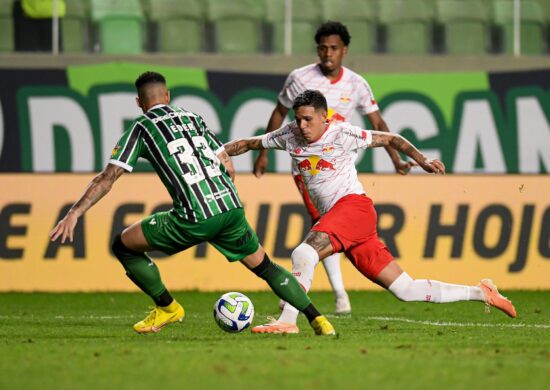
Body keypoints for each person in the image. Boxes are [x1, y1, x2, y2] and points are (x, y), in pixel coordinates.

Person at [49, 72, 335, 336]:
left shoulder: (141, 128)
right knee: (266, 267)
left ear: (139, 102)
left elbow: (108, 177)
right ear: (168, 96)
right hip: (231, 208)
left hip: (194, 216)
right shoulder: (192, 118)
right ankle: (317, 319)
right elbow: (227, 162)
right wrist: (220, 197)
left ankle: (167, 307)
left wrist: (74, 213)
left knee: (123, 245)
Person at [226, 89, 517, 334]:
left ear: (324, 117)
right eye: (298, 119)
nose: (301, 125)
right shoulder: (290, 134)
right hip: (346, 221)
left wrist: (423, 160)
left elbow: (391, 138)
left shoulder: (342, 134)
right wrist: (215, 153)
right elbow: (248, 144)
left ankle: (288, 321)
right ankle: (481, 292)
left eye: (307, 119)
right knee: (406, 289)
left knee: (304, 254)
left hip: (354, 207)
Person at [253, 21, 414, 315]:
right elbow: (279, 112)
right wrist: (263, 155)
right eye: (323, 48)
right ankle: (335, 294)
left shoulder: (357, 83)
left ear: (345, 51)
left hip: (341, 168)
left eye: (334, 48)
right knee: (322, 224)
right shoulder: (299, 78)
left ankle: (304, 292)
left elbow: (378, 124)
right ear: (318, 50)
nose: (328, 54)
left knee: (325, 228)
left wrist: (395, 159)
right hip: (307, 168)